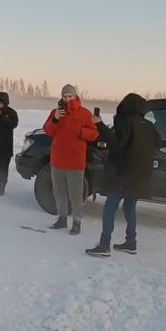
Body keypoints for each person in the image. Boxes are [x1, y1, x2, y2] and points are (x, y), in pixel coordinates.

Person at [86, 93, 161, 257]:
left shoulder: (125, 122)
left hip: (122, 175)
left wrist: (99, 125)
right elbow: (158, 142)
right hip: (139, 177)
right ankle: (131, 242)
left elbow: (116, 144)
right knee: (129, 207)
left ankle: (104, 245)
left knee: (110, 208)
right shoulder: (148, 125)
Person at [42, 85, 98, 235]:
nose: (67, 99)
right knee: (59, 191)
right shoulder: (56, 113)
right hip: (58, 159)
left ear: (75, 96)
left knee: (75, 193)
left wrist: (81, 132)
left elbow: (93, 134)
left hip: (75, 161)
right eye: (65, 96)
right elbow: (48, 131)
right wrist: (55, 119)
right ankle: (61, 218)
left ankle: (77, 221)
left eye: (70, 96)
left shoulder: (84, 114)